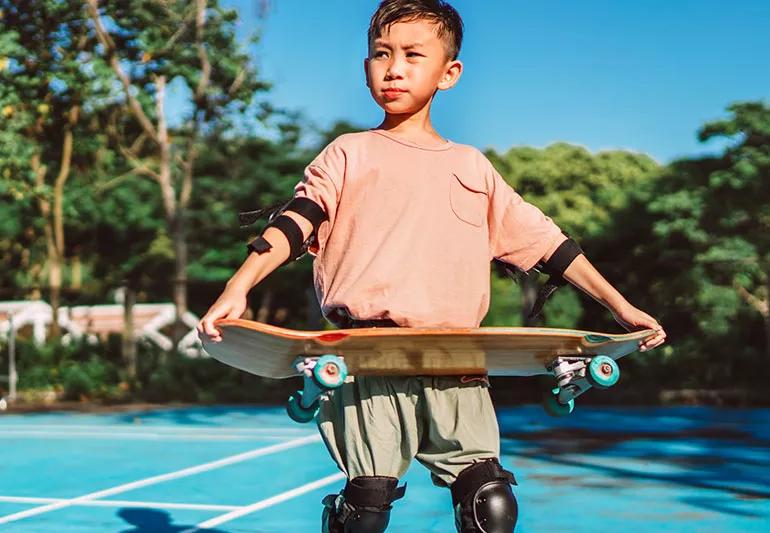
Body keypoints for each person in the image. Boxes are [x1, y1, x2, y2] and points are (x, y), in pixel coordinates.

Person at [197, 1, 667, 531]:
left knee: (491, 503)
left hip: (456, 358)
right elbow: (295, 222)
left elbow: (547, 244)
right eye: (380, 54)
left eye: (412, 55)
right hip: (368, 357)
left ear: (449, 73)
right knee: (367, 510)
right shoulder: (348, 153)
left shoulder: (471, 168)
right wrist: (237, 288)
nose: (393, 68)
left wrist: (621, 306)